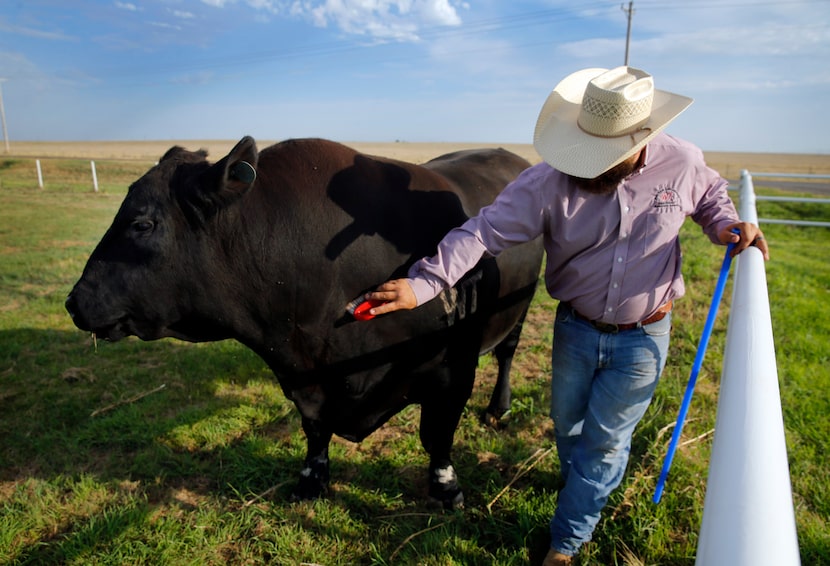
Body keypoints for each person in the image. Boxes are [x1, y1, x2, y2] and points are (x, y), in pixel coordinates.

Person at [364, 66, 769, 565]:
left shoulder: (681, 162)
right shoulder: (547, 182)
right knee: (568, 426)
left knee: (604, 443)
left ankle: (566, 541)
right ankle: (585, 486)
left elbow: (710, 196)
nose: (590, 166)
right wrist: (423, 283)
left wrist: (728, 225)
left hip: (643, 336)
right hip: (576, 328)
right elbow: (483, 233)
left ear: (640, 140)